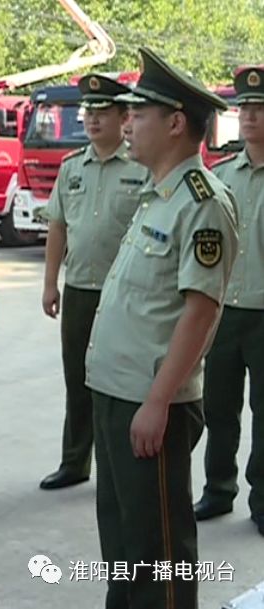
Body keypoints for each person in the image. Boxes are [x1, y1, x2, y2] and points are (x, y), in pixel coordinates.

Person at [85, 47, 238, 609]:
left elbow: (201, 311)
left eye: (138, 114)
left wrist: (158, 400)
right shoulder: (158, 197)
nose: (127, 124)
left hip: (152, 404)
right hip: (114, 393)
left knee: (160, 557)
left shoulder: (202, 203)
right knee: (124, 543)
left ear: (176, 123)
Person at [39, 74, 149, 491]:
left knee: (122, 381)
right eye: (89, 112)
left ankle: (117, 465)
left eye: (102, 112)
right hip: (81, 288)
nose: (93, 120)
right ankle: (74, 461)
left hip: (125, 293)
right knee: (78, 378)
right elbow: (57, 228)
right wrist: (51, 283)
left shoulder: (141, 168)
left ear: (124, 118)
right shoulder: (71, 168)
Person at [195, 64, 264, 536]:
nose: (251, 118)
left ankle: (263, 499)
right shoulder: (220, 177)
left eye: (260, 109)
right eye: (245, 109)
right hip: (222, 313)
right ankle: (219, 489)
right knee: (218, 409)